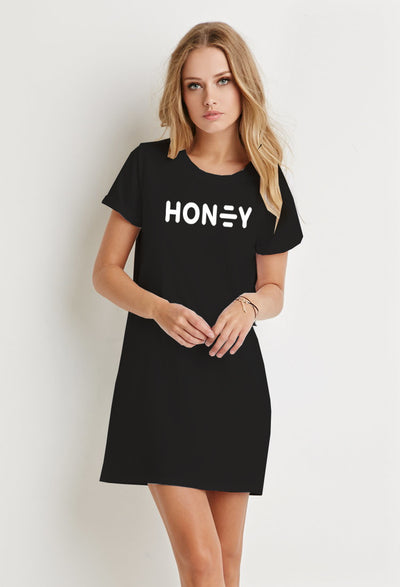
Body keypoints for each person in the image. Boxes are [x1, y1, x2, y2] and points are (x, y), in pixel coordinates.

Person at [93, 21, 303, 587]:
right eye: (194, 85)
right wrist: (158, 309)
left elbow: (275, 290)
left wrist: (251, 306)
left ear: (244, 86)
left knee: (227, 565)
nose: (210, 98)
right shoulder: (149, 166)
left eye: (223, 81)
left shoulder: (266, 181)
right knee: (202, 563)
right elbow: (105, 273)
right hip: (158, 384)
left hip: (233, 386)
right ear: (179, 93)